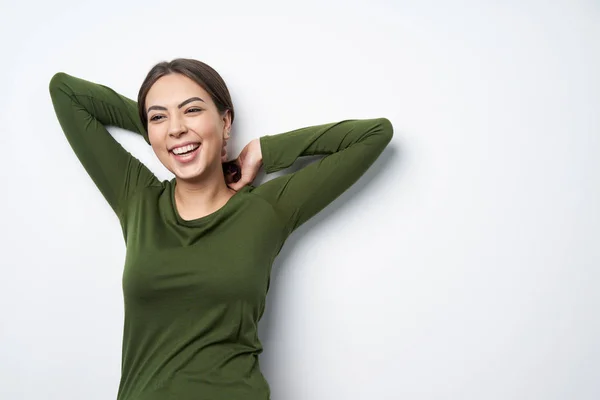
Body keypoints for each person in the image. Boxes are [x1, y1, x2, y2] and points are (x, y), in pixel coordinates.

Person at [48, 58, 393, 400]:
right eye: (158, 115)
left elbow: (375, 134)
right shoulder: (139, 200)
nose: (177, 126)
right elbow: (65, 91)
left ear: (226, 121)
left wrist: (265, 150)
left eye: (192, 110)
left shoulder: (265, 210)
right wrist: (163, 135)